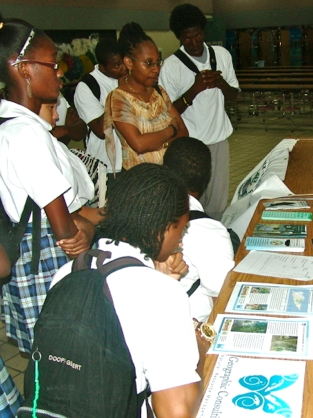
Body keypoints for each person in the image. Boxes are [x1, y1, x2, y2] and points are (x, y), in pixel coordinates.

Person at [52, 163, 203, 417]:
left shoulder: (66, 273)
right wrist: (200, 343)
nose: (181, 239)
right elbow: (176, 411)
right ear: (164, 227)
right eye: (182, 228)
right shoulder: (161, 293)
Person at [0, 16, 96, 352]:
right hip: (46, 264)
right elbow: (66, 233)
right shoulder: (26, 134)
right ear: (23, 69)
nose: (59, 73)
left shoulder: (10, 125)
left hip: (24, 254)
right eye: (52, 65)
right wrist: (86, 230)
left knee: (45, 363)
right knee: (65, 356)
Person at [159, 3, 239, 220]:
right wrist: (193, 91)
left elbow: (235, 96)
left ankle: (217, 234)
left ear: (204, 31)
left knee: (218, 202)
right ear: (179, 38)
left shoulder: (221, 55)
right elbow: (168, 112)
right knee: (190, 202)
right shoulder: (171, 66)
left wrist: (221, 83)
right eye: (187, 38)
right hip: (189, 144)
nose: (194, 42)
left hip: (219, 139)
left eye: (198, 35)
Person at [163, 137, 235, 323]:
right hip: (186, 326)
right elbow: (225, 296)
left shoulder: (141, 208)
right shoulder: (208, 231)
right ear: (206, 179)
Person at [104, 22, 188, 171]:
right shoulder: (118, 98)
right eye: (149, 63)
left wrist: (160, 142)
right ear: (129, 63)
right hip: (141, 181)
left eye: (157, 62)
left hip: (168, 173)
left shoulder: (159, 91)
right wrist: (171, 130)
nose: (156, 69)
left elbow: (183, 132)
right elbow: (139, 144)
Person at [74, 37, 126, 182]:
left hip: (134, 163)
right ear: (102, 67)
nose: (123, 68)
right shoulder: (87, 86)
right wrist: (119, 92)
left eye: (124, 62)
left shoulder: (131, 77)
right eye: (116, 66)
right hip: (107, 167)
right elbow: (101, 130)